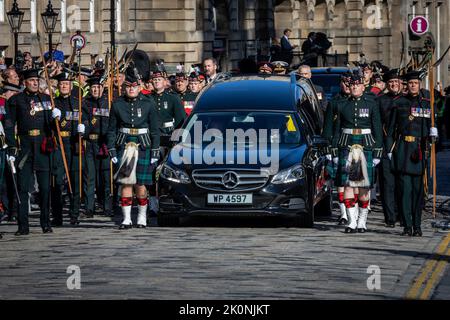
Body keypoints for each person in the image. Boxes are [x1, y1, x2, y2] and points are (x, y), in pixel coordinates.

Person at [4, 68, 62, 235]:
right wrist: (13, 146)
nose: (35, 83)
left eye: (37, 80)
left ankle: (46, 222)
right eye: (31, 80)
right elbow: (9, 125)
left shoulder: (46, 99)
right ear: (25, 82)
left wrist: (56, 118)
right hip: (26, 147)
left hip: (43, 146)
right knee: (22, 188)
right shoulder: (17, 100)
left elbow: (53, 128)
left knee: (44, 187)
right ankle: (23, 226)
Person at [386, 71, 438, 237]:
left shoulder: (426, 104)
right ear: (406, 85)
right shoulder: (399, 103)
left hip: (420, 149)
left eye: (416, 83)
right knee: (404, 191)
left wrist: (434, 135)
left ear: (420, 85)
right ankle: (407, 225)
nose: (413, 85)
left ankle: (417, 225)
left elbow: (434, 125)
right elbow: (391, 129)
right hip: (403, 149)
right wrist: (390, 150)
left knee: (418, 192)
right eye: (410, 83)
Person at [107, 69, 160, 229]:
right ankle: (126, 219)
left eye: (134, 87)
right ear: (125, 88)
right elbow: (111, 130)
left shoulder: (148, 103)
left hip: (143, 145)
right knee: (126, 184)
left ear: (139, 87)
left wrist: (155, 152)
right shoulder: (117, 104)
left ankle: (142, 217)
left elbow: (154, 130)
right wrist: (112, 150)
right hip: (124, 145)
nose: (131, 89)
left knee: (141, 185)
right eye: (128, 86)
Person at [331, 73, 383, 233]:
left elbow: (377, 128)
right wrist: (333, 150)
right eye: (351, 84)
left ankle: (362, 221)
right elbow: (336, 129)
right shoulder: (341, 104)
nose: (354, 87)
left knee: (364, 189)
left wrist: (377, 151)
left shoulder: (371, 103)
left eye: (357, 84)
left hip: (365, 145)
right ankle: (351, 221)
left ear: (363, 86)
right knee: (347, 185)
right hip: (346, 145)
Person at [50, 72, 88, 226]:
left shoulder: (78, 102)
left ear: (71, 86)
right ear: (58, 87)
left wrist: (83, 127)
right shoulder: (53, 103)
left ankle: (74, 214)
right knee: (57, 182)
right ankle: (57, 216)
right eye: (61, 84)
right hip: (59, 145)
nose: (64, 86)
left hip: (74, 144)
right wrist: (52, 119)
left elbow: (87, 120)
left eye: (66, 84)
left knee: (75, 180)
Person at [322, 73, 352, 225]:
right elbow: (327, 128)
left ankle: (353, 212)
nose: (347, 85)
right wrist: (328, 148)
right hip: (337, 145)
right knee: (340, 181)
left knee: (355, 182)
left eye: (350, 82)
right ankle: (343, 213)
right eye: (344, 82)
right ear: (340, 84)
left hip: (355, 145)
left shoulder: (359, 101)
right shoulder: (334, 102)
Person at [84, 76, 113, 218]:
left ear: (103, 88)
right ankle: (89, 207)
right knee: (90, 177)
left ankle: (107, 206)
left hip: (105, 144)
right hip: (90, 144)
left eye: (98, 87)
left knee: (106, 177)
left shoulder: (109, 102)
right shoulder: (85, 103)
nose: (95, 90)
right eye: (93, 87)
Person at [377, 69, 402, 228]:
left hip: (403, 145)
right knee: (387, 183)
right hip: (386, 143)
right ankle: (390, 217)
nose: (394, 84)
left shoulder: (406, 100)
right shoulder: (380, 100)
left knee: (402, 182)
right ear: (387, 85)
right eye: (391, 82)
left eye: (396, 82)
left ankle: (402, 213)